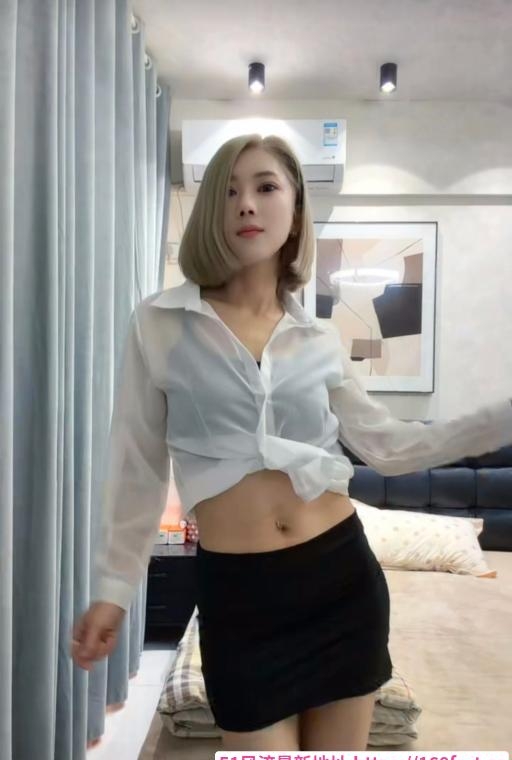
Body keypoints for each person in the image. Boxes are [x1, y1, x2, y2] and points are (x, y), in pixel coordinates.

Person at [71, 133, 512, 751]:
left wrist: (500, 419)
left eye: (265, 186)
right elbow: (137, 468)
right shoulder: (160, 323)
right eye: (229, 191)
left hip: (341, 584)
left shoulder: (319, 337)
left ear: (296, 208)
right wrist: (114, 591)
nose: (246, 204)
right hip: (240, 598)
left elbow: (390, 449)